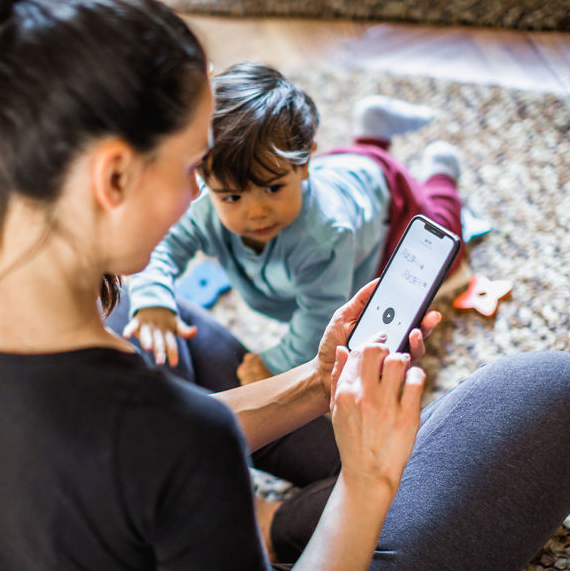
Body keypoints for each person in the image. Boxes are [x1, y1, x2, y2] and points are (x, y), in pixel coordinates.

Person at [0, 0, 570, 571]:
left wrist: (313, 382)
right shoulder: (179, 442)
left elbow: (131, 471)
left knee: (164, 321)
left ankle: (280, 522)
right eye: (190, 169)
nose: (196, 196)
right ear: (113, 176)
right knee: (557, 391)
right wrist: (369, 483)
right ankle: (293, 527)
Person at [122, 62, 466, 386]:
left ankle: (441, 173)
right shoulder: (209, 204)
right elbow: (161, 244)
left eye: (272, 189)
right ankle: (371, 132)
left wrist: (276, 363)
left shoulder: (326, 237)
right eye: (232, 197)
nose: (256, 212)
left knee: (444, 250)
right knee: (351, 160)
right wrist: (152, 297)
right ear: (203, 179)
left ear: (304, 164)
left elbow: (321, 317)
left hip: (388, 197)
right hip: (339, 170)